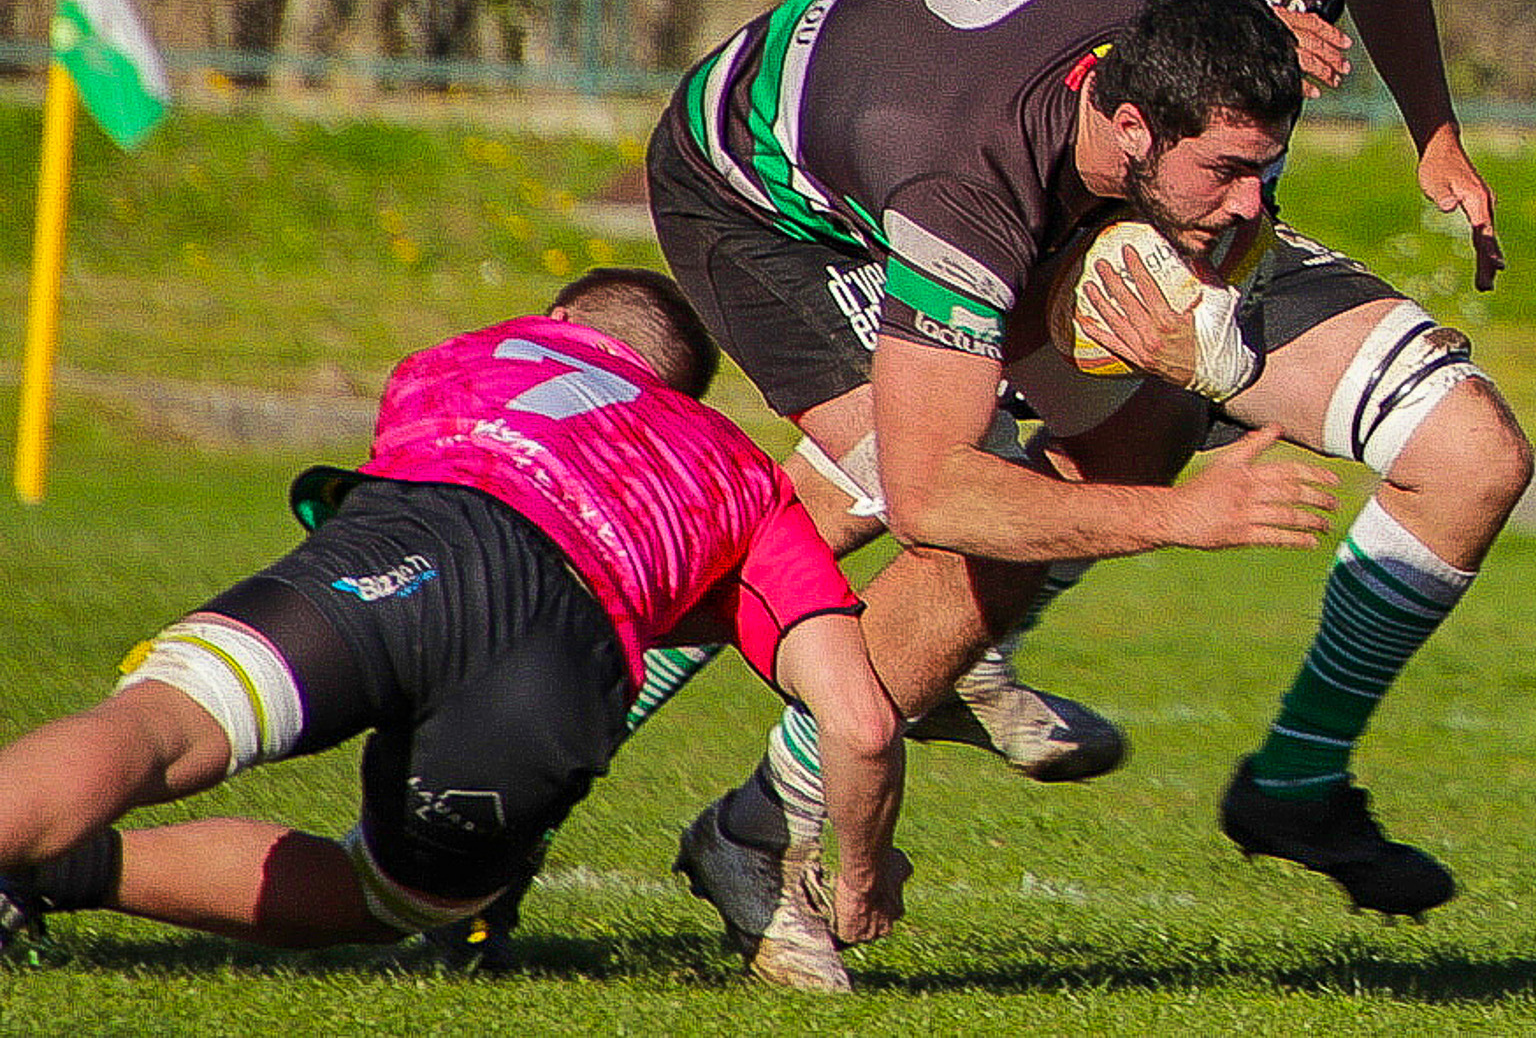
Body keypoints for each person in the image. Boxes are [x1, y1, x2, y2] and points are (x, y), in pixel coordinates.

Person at [974, 0, 1531, 917]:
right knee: (857, 510)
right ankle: (524, 798)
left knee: (1471, 458)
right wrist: (1224, 20)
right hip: (1055, 226)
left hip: (1225, 242)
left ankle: (1295, 781)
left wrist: (1437, 138)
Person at [645, 0, 1345, 989]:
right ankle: (582, 678)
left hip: (909, 109)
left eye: (1266, 169)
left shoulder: (1167, 85)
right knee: (938, 497)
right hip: (758, 205)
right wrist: (1186, 517)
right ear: (1135, 126)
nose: (1251, 203)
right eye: (1227, 173)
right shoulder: (963, 185)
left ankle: (900, 690)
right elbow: (941, 495)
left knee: (1121, 449)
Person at [0, 268, 909, 991]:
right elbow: (860, 724)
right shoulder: (745, 475)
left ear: (560, 318)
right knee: (389, 900)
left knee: (163, 727)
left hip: (413, 542)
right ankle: (65, 873)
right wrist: (862, 882)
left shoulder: (466, 356)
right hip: (561, 655)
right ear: (684, 389)